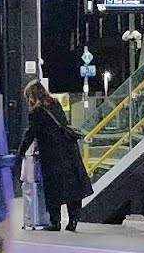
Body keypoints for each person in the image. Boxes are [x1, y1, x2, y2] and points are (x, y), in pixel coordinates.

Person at [19, 80, 93, 232]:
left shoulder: (36, 112)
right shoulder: (55, 104)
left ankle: (55, 222)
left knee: (54, 189)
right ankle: (73, 220)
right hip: (68, 149)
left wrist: (20, 152)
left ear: (32, 96)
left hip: (52, 154)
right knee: (72, 187)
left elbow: (30, 134)